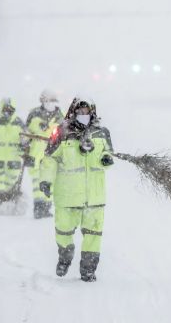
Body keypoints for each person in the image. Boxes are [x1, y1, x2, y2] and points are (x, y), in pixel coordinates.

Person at [39, 97, 114, 282]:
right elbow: (50, 159)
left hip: (94, 197)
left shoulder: (102, 133)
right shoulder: (61, 132)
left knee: (93, 235)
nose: (83, 115)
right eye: (79, 111)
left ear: (92, 111)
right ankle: (65, 256)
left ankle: (88, 270)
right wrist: (46, 181)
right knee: (63, 231)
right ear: (73, 111)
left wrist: (106, 159)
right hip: (67, 195)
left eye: (86, 111)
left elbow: (109, 153)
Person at [24, 89, 64, 219]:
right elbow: (25, 134)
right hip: (35, 155)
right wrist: (24, 149)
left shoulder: (60, 116)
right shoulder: (34, 114)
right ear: (42, 101)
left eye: (53, 100)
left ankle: (46, 208)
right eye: (48, 100)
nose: (50, 103)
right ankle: (39, 208)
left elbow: (64, 136)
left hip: (51, 156)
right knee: (37, 184)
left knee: (50, 183)